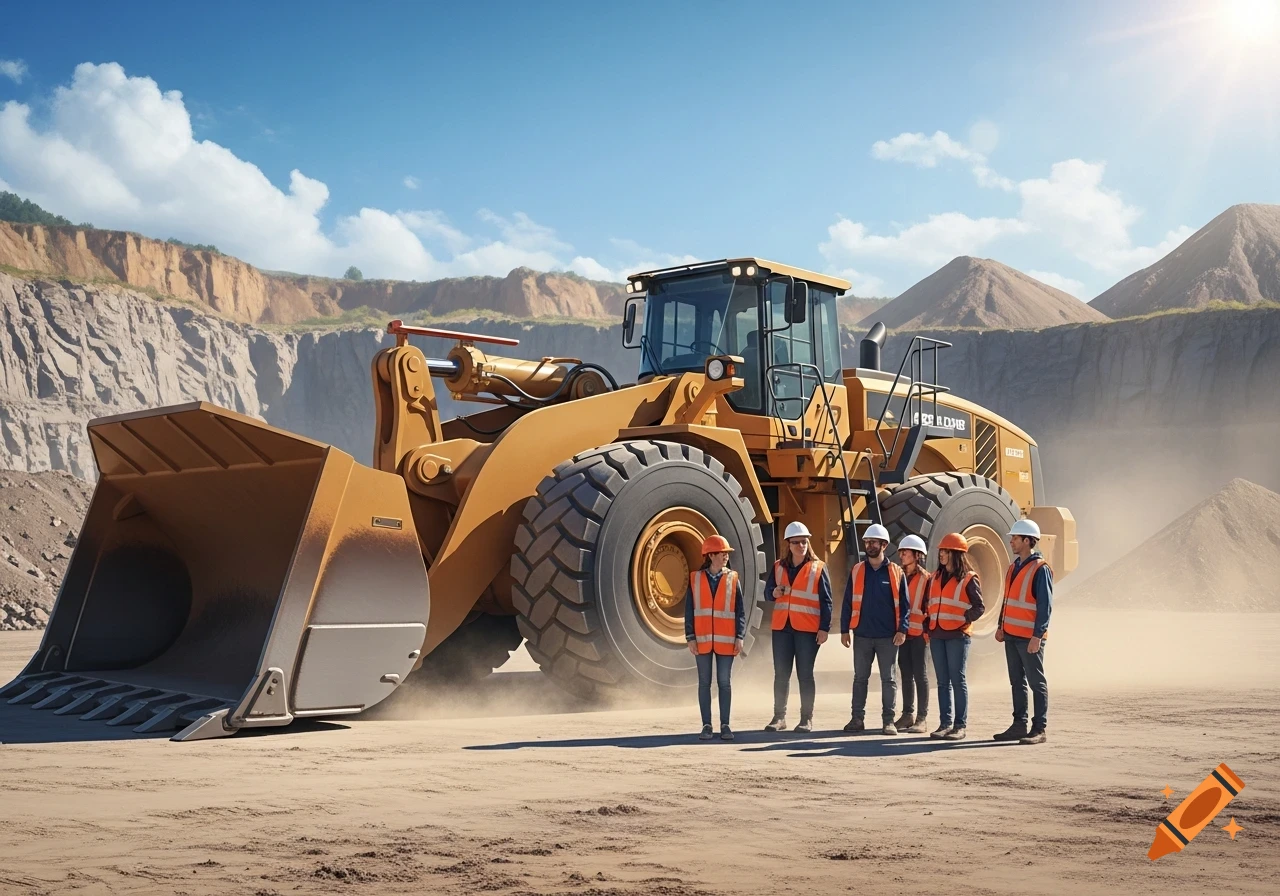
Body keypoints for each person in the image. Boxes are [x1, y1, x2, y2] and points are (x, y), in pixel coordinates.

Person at [840, 523, 909, 736]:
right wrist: (844, 630)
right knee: (860, 678)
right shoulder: (857, 570)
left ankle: (888, 721)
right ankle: (857, 719)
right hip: (861, 635)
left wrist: (902, 629)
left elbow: (905, 605)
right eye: (867, 542)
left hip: (888, 637)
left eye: (873, 542)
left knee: (888, 679)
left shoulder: (896, 572)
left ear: (884, 545)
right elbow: (848, 602)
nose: (869, 546)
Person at [764, 521, 832, 734]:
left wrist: (824, 628)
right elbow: (767, 593)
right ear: (788, 544)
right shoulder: (778, 566)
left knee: (805, 674)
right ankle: (779, 717)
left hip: (807, 629)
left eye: (804, 541)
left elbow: (827, 601)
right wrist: (774, 593)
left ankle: (806, 719)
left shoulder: (818, 567)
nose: (801, 545)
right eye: (796, 542)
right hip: (783, 628)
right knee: (781, 674)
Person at [994, 519, 1053, 746]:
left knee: (1036, 682)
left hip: (1029, 638)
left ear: (1027, 541)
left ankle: (1039, 729)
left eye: (1015, 538)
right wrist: (1001, 625)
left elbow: (1044, 607)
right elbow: (1007, 599)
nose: (1011, 541)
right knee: (1016, 681)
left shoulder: (1041, 569)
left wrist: (1037, 636)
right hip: (1011, 635)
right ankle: (1019, 725)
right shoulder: (1013, 566)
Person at [684, 533, 745, 741]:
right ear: (710, 555)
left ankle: (725, 725)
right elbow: (689, 610)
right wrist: (690, 636)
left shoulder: (733, 578)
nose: (726, 556)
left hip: (726, 640)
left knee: (724, 682)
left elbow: (740, 611)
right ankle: (707, 726)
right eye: (722, 553)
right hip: (701, 639)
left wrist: (740, 636)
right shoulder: (695, 579)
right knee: (704, 683)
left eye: (727, 553)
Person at [926, 533, 984, 741]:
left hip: (957, 636)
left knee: (957, 680)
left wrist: (963, 620)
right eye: (941, 551)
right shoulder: (933, 577)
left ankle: (960, 725)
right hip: (937, 634)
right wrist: (928, 627)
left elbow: (979, 607)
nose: (941, 554)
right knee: (942, 682)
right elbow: (928, 604)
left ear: (957, 554)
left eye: (946, 551)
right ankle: (945, 724)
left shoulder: (969, 578)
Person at [894, 534, 931, 735]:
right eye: (900, 551)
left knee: (920, 675)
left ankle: (922, 718)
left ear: (917, 555)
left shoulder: (927, 579)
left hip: (919, 635)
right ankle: (907, 714)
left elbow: (930, 607)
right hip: (903, 634)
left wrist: (927, 633)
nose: (902, 555)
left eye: (905, 552)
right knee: (905, 674)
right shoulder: (898, 576)